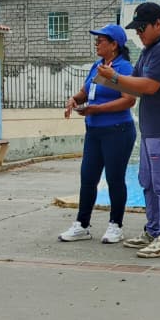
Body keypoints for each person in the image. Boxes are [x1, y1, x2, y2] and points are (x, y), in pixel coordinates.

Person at [96, 2, 160, 258]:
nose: (139, 34)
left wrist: (114, 77)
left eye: (142, 28)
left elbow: (149, 86)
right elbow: (134, 87)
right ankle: (153, 230)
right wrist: (107, 79)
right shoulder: (150, 50)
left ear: (158, 24)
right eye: (136, 30)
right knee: (148, 181)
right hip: (152, 128)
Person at [58, 24, 137, 244]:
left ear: (114, 45)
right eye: (97, 40)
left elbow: (129, 100)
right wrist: (74, 99)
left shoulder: (123, 68)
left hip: (118, 130)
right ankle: (82, 225)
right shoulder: (98, 65)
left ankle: (116, 225)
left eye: (101, 40)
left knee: (114, 178)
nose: (96, 44)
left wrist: (98, 109)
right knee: (88, 178)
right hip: (94, 130)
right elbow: (86, 91)